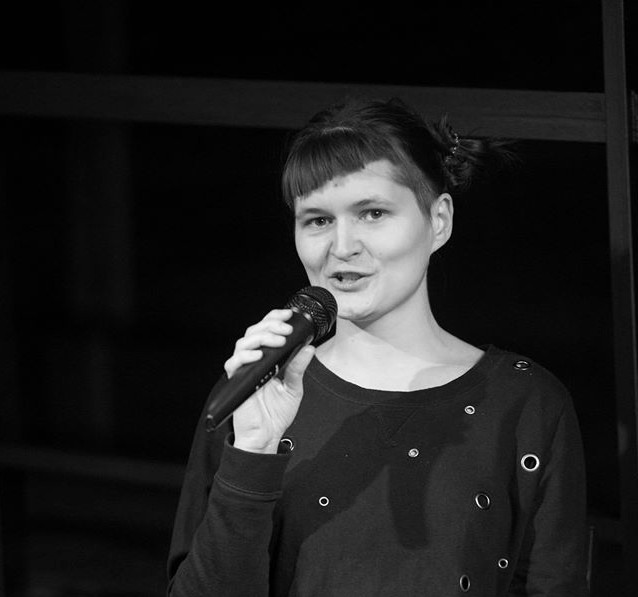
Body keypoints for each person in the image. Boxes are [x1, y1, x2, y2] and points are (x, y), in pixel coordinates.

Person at [167, 97, 588, 596]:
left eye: (372, 213)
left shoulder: (525, 402)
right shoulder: (255, 392)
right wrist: (253, 452)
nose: (342, 246)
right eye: (317, 220)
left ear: (438, 220)